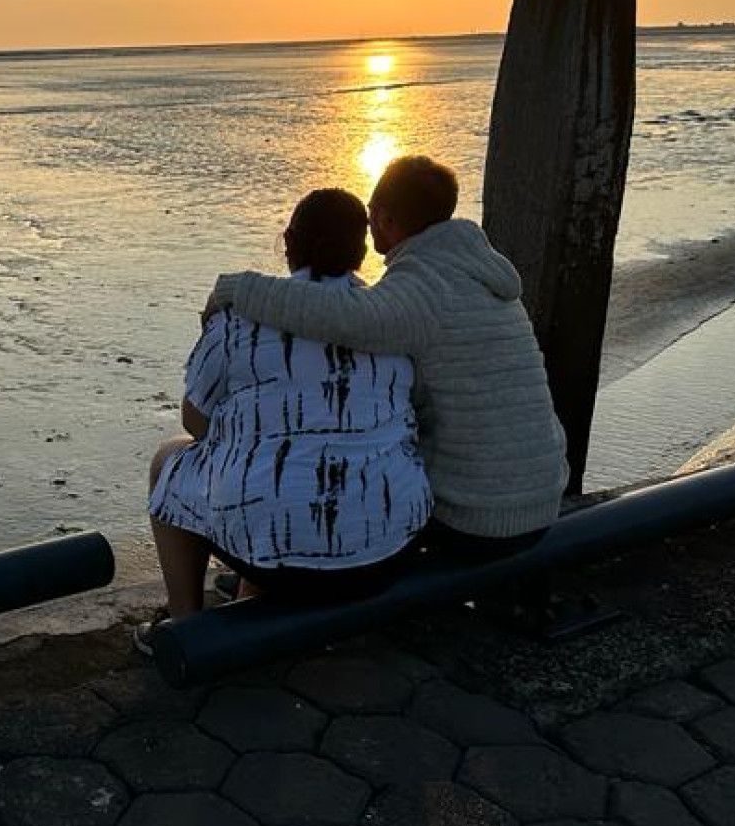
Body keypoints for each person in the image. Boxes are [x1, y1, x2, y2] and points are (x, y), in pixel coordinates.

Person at [202, 156, 568, 564]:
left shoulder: (423, 288)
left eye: (374, 215)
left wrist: (236, 289)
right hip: (541, 499)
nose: (370, 224)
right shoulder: (478, 273)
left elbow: (339, 315)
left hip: (478, 519)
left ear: (389, 220)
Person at [138, 189, 434, 652]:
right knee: (292, 474)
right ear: (361, 251)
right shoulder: (388, 320)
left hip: (284, 554)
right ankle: (248, 592)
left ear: (288, 242)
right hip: (387, 547)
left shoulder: (238, 321)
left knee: (170, 462)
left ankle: (184, 623)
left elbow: (196, 421)